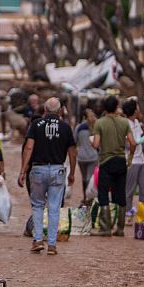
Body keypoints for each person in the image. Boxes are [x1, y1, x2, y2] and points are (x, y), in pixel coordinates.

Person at [20, 97, 76, 255]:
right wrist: (72, 173)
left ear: (44, 110)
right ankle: (51, 244)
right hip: (58, 170)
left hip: (38, 169)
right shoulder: (65, 127)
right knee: (54, 207)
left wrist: (23, 170)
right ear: (59, 111)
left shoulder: (36, 125)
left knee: (37, 205)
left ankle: (38, 240)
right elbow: (72, 152)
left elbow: (29, 147)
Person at [91, 95, 133, 236]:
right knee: (120, 194)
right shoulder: (125, 122)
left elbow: (96, 144)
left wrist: (94, 143)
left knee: (103, 194)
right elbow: (133, 143)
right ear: (116, 107)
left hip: (106, 162)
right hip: (121, 161)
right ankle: (120, 229)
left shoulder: (100, 123)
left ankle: (105, 228)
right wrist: (130, 158)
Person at [122, 98, 144, 215]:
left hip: (141, 160)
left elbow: (139, 140)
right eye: (137, 108)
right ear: (134, 110)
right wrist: (140, 140)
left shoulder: (137, 123)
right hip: (132, 161)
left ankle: (143, 212)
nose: (139, 110)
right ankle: (127, 212)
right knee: (129, 190)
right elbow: (129, 143)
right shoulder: (125, 124)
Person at [74, 105, 99, 206]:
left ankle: (85, 197)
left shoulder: (79, 128)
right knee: (89, 178)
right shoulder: (96, 127)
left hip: (81, 157)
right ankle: (89, 198)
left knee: (85, 178)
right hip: (93, 156)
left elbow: (74, 141)